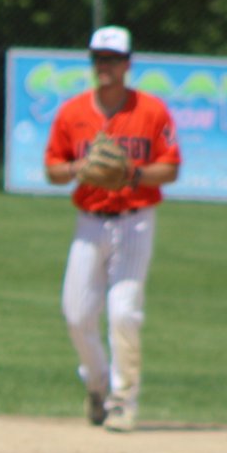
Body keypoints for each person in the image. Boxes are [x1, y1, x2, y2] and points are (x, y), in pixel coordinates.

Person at [44, 26, 181, 432]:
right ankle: (98, 384)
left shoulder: (151, 111)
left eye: (113, 59)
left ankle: (123, 400)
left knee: (124, 313)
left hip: (136, 221)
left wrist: (132, 174)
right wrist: (77, 168)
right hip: (90, 222)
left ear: (127, 64)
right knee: (76, 314)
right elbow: (52, 170)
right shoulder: (72, 113)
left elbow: (170, 168)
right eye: (99, 59)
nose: (105, 66)